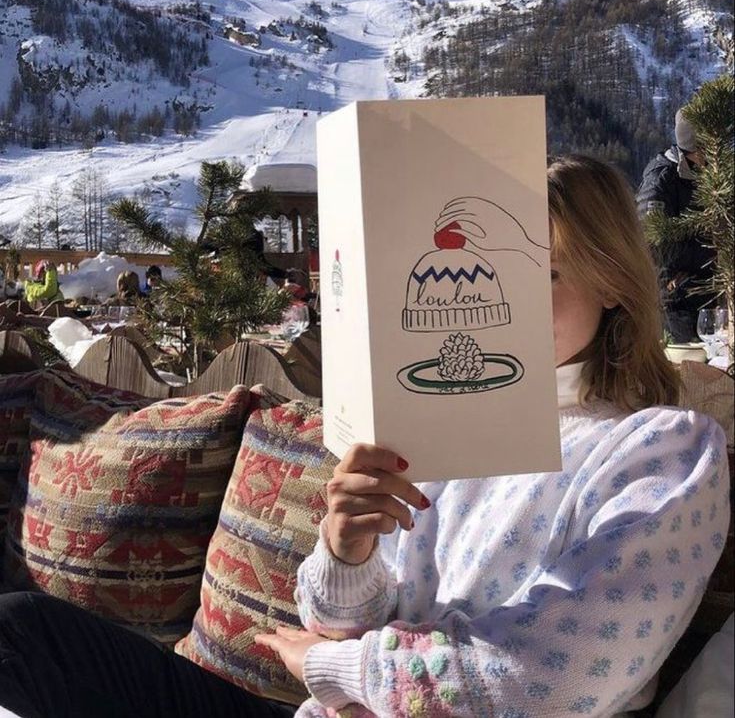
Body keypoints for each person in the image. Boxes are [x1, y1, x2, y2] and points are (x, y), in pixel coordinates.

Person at [0, 156, 727, 718]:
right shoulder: (452, 415)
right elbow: (339, 617)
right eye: (492, 274)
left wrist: (332, 667)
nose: (503, 303)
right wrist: (347, 552)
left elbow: (540, 681)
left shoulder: (662, 448)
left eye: (544, 272)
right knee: (22, 629)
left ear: (610, 281)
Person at [636, 108, 715, 342]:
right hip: (678, 299)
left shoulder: (706, 174)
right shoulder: (662, 180)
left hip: (708, 291)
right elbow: (652, 240)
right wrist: (710, 253)